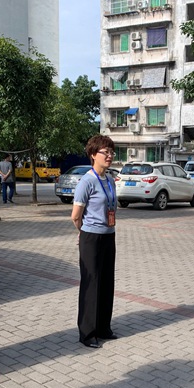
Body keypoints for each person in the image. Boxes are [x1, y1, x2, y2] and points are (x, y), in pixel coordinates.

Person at [71, 135, 118, 349]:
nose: (109, 156)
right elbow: (75, 216)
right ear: (93, 154)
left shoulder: (110, 180)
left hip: (109, 235)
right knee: (91, 283)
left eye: (111, 152)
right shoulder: (87, 181)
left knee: (107, 281)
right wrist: (83, 232)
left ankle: (103, 328)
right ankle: (88, 333)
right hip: (91, 237)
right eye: (105, 152)